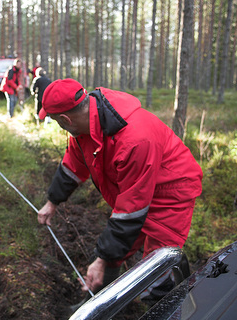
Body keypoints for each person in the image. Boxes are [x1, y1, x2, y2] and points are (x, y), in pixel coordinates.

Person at [36, 79, 202, 307]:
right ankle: (98, 306)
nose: (58, 126)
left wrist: (101, 259)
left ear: (66, 119)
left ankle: (175, 309)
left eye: (56, 121)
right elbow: (73, 165)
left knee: (157, 275)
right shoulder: (86, 126)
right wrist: (52, 203)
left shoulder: (134, 139)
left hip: (169, 193)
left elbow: (130, 211)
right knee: (114, 252)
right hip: (136, 190)